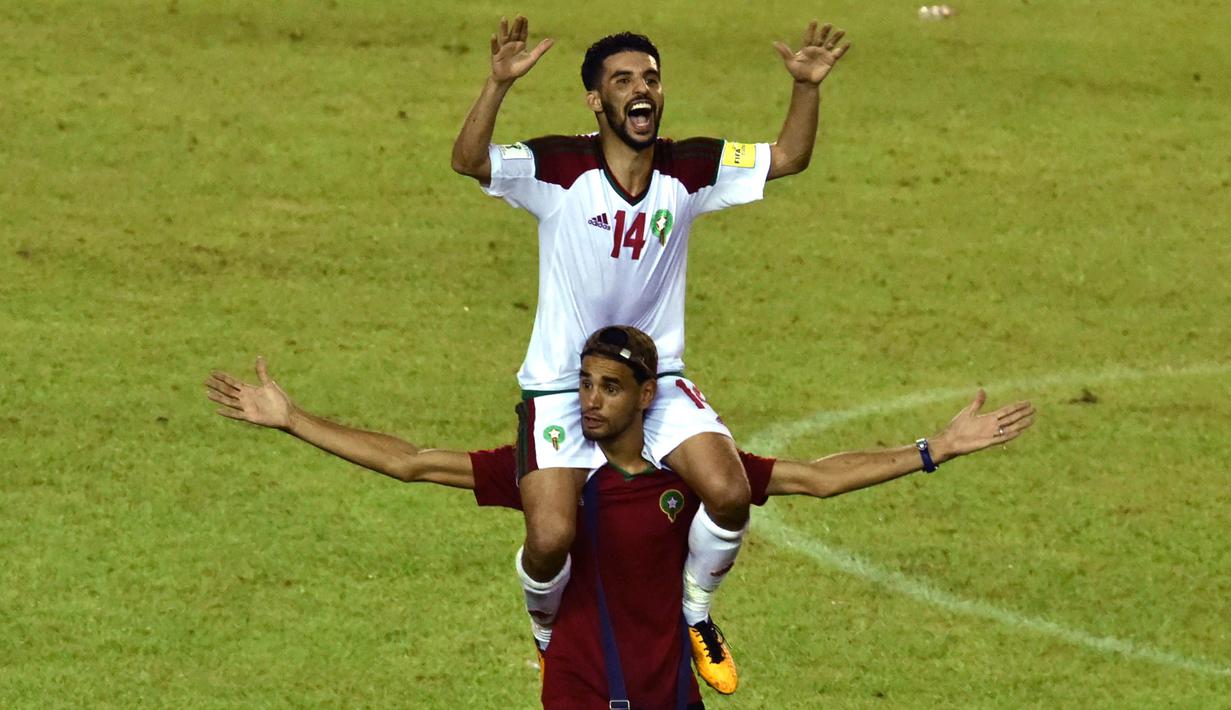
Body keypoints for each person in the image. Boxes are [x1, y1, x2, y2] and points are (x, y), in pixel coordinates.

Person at [205, 327, 1036, 709]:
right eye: (583, 384)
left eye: (607, 387)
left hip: (668, 684)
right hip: (578, 684)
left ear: (646, 396)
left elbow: (819, 478)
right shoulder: (551, 478)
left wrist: (935, 448)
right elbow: (411, 460)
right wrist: (294, 418)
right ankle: (539, 632)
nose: (588, 400)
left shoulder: (686, 478)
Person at [450, 16, 852, 692]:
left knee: (726, 493)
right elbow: (468, 161)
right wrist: (495, 86)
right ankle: (548, 632)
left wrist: (805, 88)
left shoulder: (689, 168)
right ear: (596, 100)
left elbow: (787, 157)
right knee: (550, 538)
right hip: (560, 386)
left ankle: (694, 614)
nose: (642, 89)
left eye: (651, 78)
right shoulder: (557, 168)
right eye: (623, 80)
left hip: (652, 382)